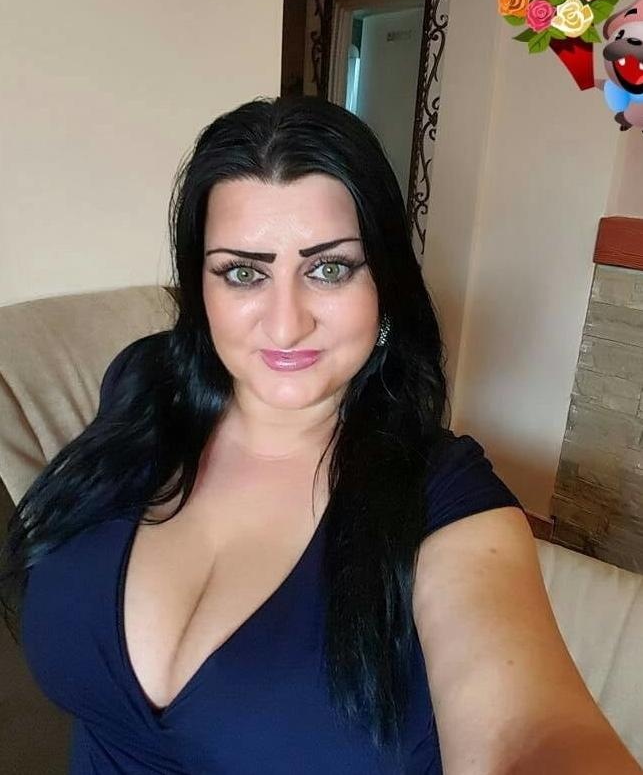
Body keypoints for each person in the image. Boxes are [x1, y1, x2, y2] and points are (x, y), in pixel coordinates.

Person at [1, 95, 640, 774]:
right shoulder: (146, 382)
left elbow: (528, 736)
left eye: (328, 269)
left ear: (384, 285)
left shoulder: (447, 499)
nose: (286, 324)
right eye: (243, 272)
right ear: (200, 286)